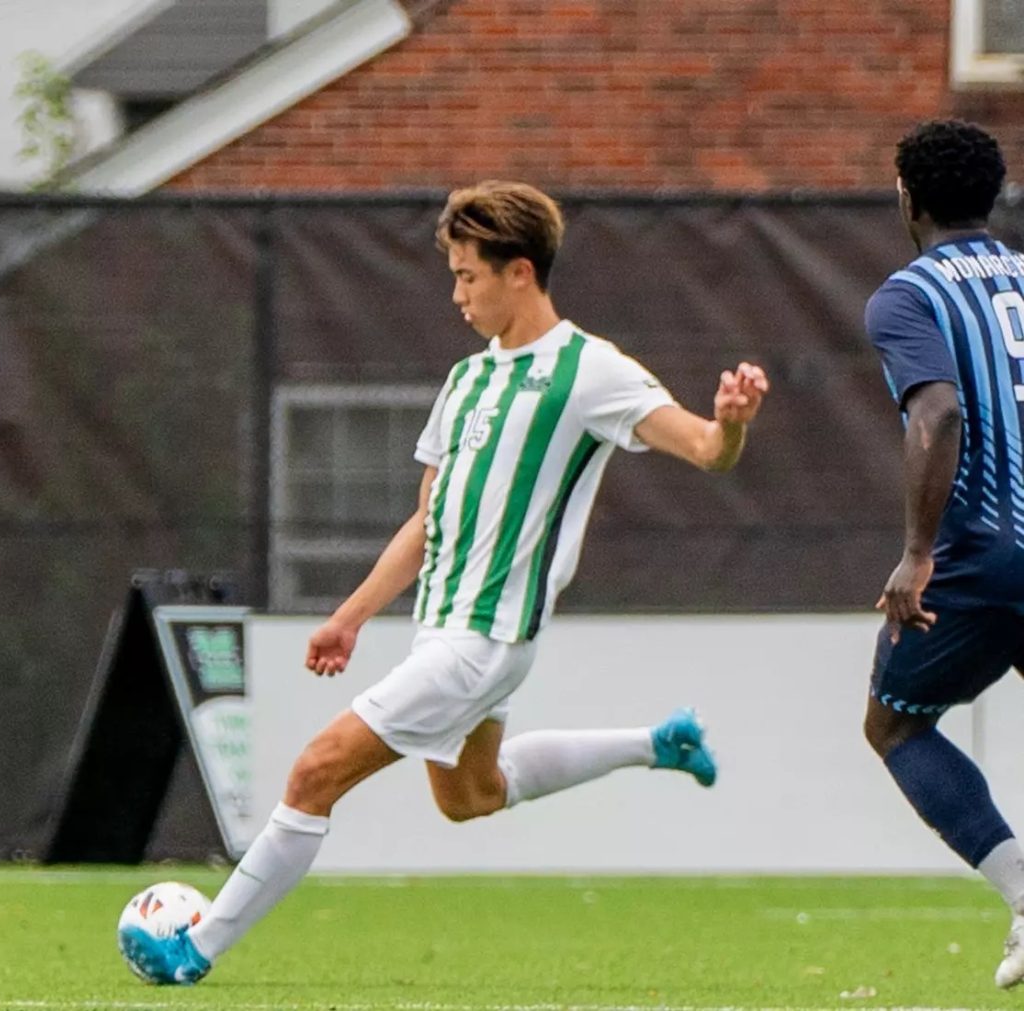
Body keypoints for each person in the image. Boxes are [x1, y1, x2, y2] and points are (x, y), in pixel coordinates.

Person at [119, 180, 769, 984]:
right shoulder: (465, 383)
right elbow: (428, 522)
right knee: (471, 795)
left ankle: (197, 947)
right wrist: (350, 616)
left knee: (316, 771)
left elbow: (706, 449)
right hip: (444, 627)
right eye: (454, 275)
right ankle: (658, 742)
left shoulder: (589, 370)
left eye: (469, 275)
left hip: (484, 640)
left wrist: (731, 422)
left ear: (520, 272)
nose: (457, 294)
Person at [862, 119, 1024, 990]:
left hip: (982, 558)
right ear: (996, 196)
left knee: (892, 721)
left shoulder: (908, 294)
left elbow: (939, 414)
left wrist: (917, 553)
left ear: (908, 197)